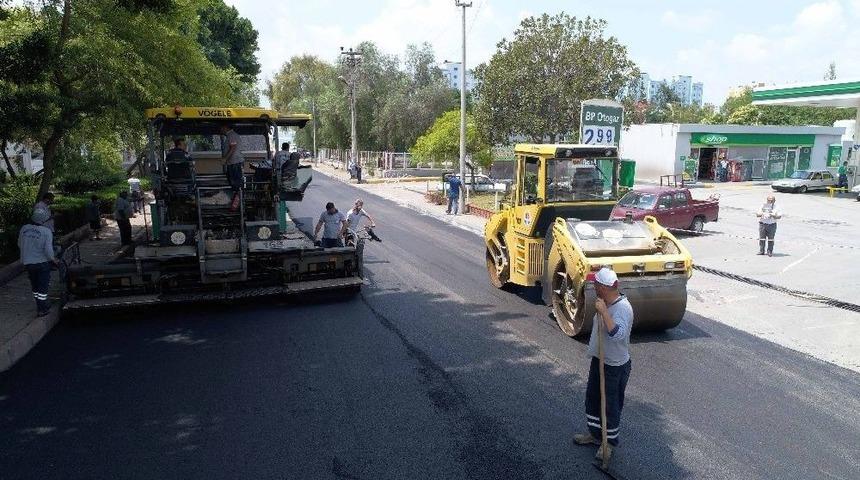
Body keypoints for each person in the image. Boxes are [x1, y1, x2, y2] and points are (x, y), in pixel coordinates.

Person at [573, 267, 633, 462]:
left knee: (610, 406)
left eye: (596, 284)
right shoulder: (605, 301)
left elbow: (618, 334)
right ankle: (596, 435)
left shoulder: (622, 308)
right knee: (593, 399)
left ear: (604, 287)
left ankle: (608, 445)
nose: (593, 286)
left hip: (614, 366)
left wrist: (604, 313)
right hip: (600, 360)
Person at [18, 209, 60, 317]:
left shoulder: (24, 229)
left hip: (28, 263)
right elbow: (48, 250)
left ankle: (39, 305)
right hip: (41, 263)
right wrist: (53, 260)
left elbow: (19, 244)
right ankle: (42, 309)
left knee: (35, 286)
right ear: (44, 219)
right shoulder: (46, 232)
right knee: (43, 286)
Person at [220, 124, 245, 210]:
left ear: (226, 127)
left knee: (236, 184)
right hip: (232, 163)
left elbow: (233, 147)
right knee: (233, 183)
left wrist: (225, 159)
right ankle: (235, 203)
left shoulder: (232, 135)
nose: (220, 130)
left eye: (221, 128)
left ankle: (237, 205)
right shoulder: (229, 136)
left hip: (235, 163)